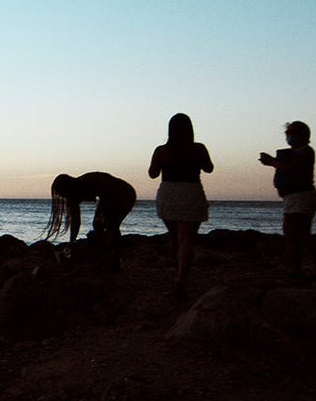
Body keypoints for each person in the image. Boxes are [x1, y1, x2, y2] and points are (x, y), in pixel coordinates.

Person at [147, 113, 213, 298]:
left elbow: (152, 173)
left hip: (168, 192)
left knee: (174, 237)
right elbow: (209, 168)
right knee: (187, 238)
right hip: (191, 191)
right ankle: (181, 277)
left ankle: (177, 272)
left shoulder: (161, 151)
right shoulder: (198, 149)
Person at [260, 121, 316, 281]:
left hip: (301, 197)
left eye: (292, 133)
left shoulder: (306, 152)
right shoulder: (295, 153)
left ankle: (298, 271)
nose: (289, 137)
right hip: (294, 197)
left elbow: (289, 168)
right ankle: (306, 269)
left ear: (303, 135)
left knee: (295, 234)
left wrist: (272, 161)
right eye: (287, 134)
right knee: (299, 234)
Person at [40, 172, 137, 269]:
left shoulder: (90, 181)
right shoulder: (73, 196)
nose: (64, 197)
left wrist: (105, 215)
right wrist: (71, 242)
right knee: (100, 225)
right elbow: (75, 221)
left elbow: (109, 193)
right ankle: (106, 255)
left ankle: (115, 259)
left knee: (111, 224)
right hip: (111, 195)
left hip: (125, 193)